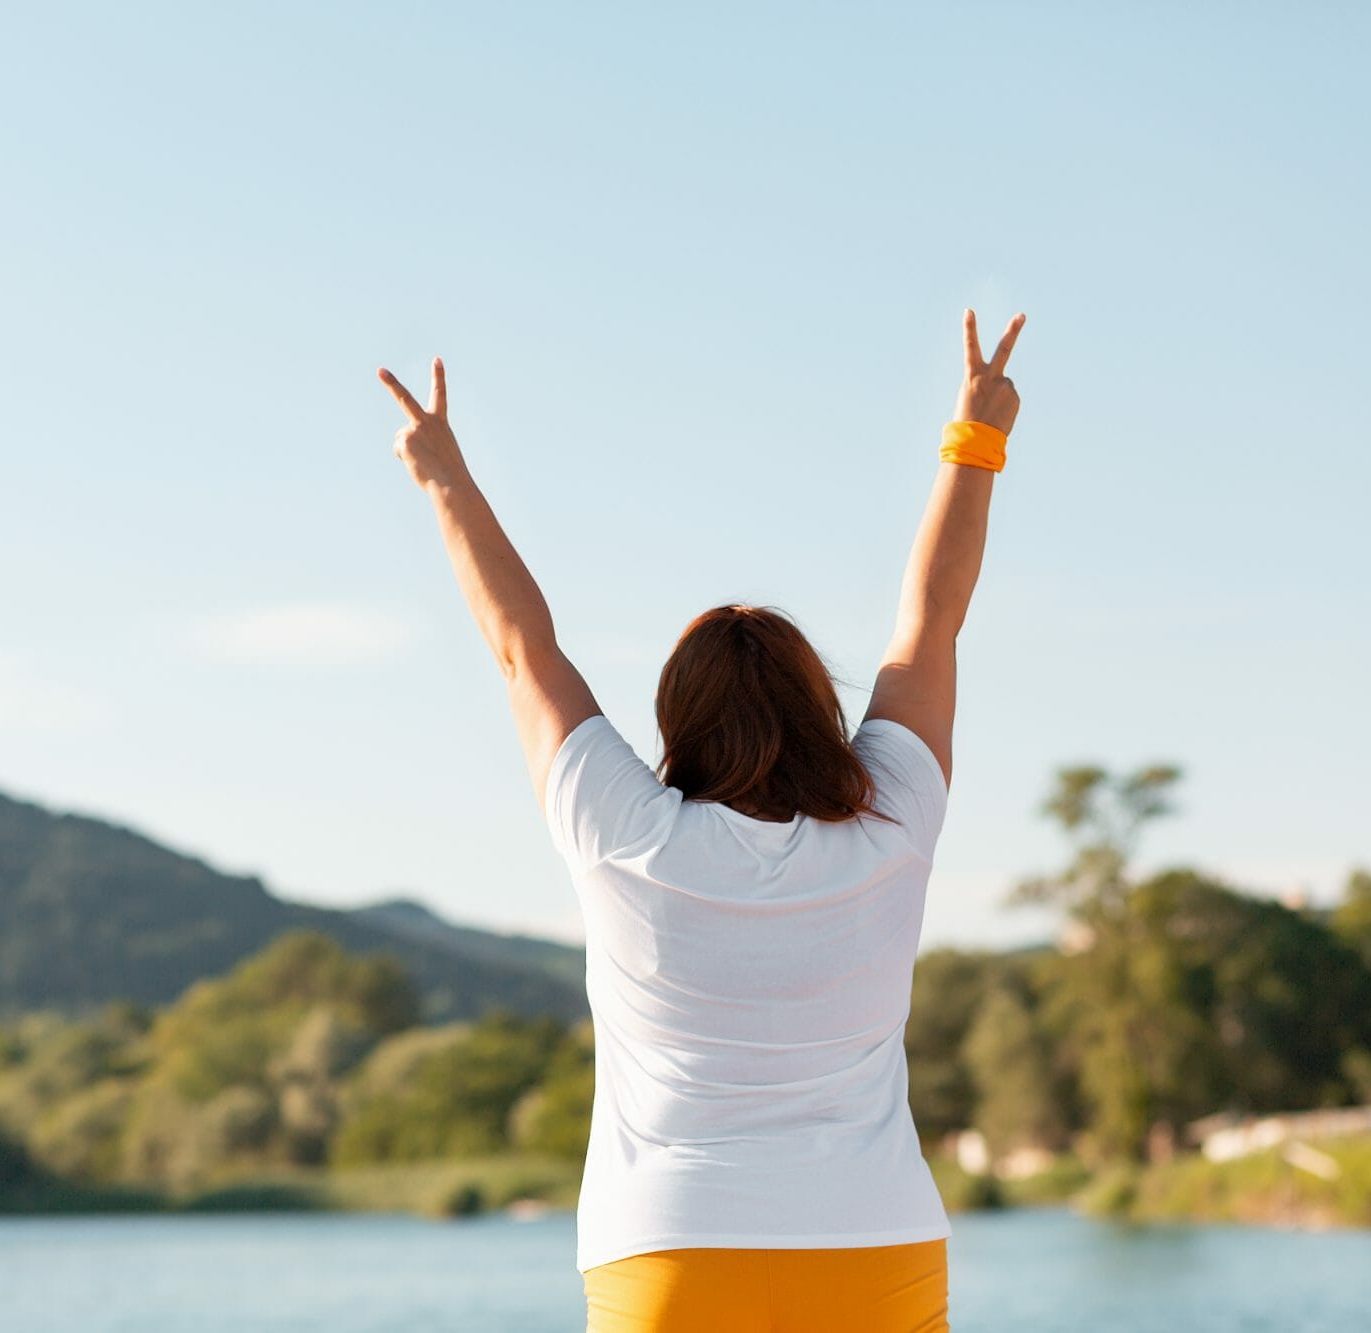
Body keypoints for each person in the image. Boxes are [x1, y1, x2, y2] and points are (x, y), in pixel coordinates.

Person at [376, 307, 1024, 1333]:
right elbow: (929, 621)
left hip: (668, 1251)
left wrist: (440, 473)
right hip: (872, 1247)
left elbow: (520, 648)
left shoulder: (624, 833)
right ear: (817, 708)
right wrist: (975, 438)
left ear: (674, 720)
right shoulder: (889, 822)